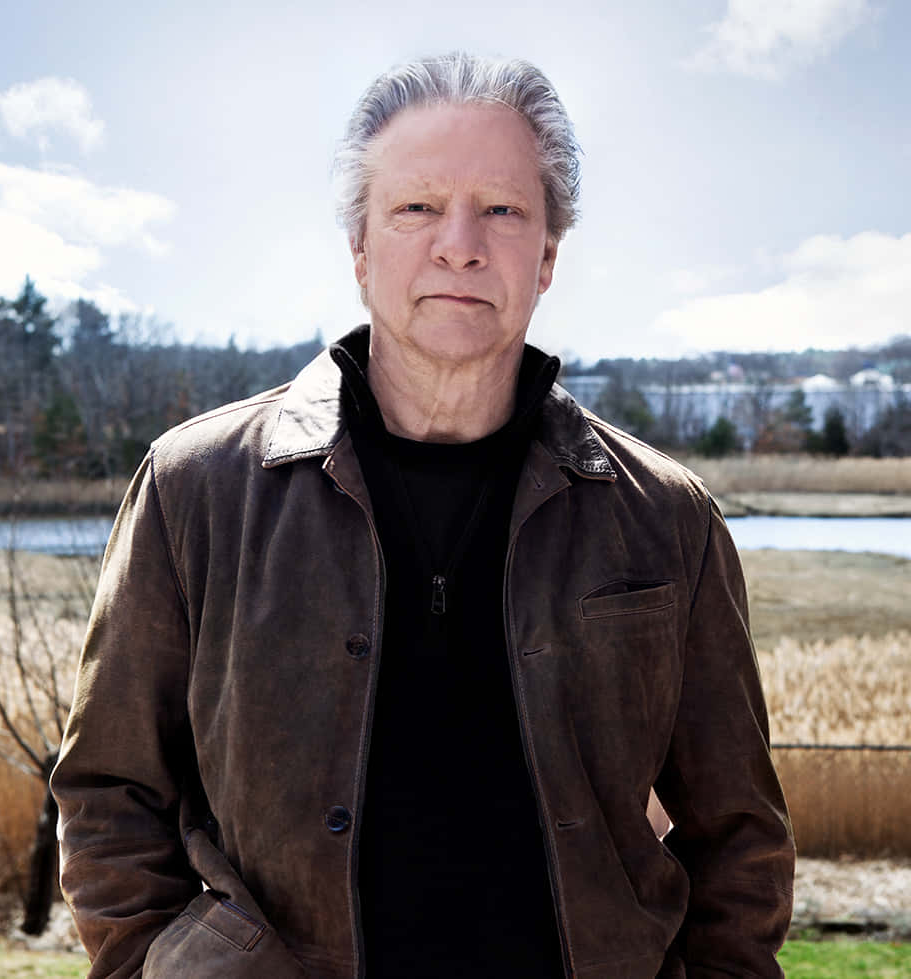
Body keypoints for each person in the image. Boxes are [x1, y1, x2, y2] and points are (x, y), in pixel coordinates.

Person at [51, 52, 795, 979]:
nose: (460, 245)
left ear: (548, 256)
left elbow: (740, 837)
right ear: (360, 250)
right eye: (417, 207)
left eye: (503, 210)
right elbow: (108, 792)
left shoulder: (665, 518)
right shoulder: (194, 488)